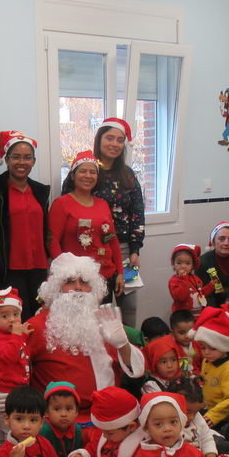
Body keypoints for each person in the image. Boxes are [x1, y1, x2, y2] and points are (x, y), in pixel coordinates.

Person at [0, 253, 142, 419]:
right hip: (58, 423)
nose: (78, 287)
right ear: (56, 288)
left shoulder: (106, 321)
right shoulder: (35, 327)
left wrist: (123, 344)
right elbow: (8, 361)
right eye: (69, 281)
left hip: (110, 417)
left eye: (84, 282)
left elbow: (137, 370)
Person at [73, 117, 145, 326]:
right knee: (96, 313)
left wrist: (134, 250)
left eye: (120, 140)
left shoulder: (129, 175)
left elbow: (137, 214)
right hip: (93, 251)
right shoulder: (86, 170)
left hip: (123, 251)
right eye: (109, 138)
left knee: (128, 312)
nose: (114, 144)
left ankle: (129, 355)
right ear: (99, 139)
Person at [0, 130, 51, 318]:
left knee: (40, 319)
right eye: (16, 157)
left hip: (39, 270)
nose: (22, 162)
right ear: (6, 159)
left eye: (27, 157)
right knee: (16, 322)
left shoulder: (40, 191)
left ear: (33, 161)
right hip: (8, 272)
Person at [49, 150, 123, 301]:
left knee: (103, 322)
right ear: (72, 175)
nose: (88, 176)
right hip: (76, 281)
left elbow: (112, 240)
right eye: (83, 171)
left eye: (92, 172)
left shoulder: (103, 204)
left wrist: (120, 272)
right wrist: (66, 273)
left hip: (104, 276)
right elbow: (52, 242)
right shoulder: (61, 204)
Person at [192, 307, 229, 431]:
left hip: (224, 419)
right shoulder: (208, 361)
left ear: (224, 346)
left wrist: (213, 416)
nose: (207, 353)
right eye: (203, 348)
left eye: (212, 348)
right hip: (206, 410)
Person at [0, 288, 31, 394]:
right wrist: (17, 335)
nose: (12, 319)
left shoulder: (11, 333)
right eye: (5, 316)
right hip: (6, 389)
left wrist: (23, 335)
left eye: (16, 314)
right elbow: (10, 357)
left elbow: (19, 351)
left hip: (20, 384)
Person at [168, 243, 214, 315]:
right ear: (173, 265)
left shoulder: (196, 279)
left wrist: (211, 285)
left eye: (187, 263)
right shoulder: (174, 281)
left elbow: (201, 293)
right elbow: (180, 297)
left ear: (193, 266)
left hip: (198, 314)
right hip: (183, 316)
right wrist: (183, 279)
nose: (183, 266)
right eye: (179, 263)